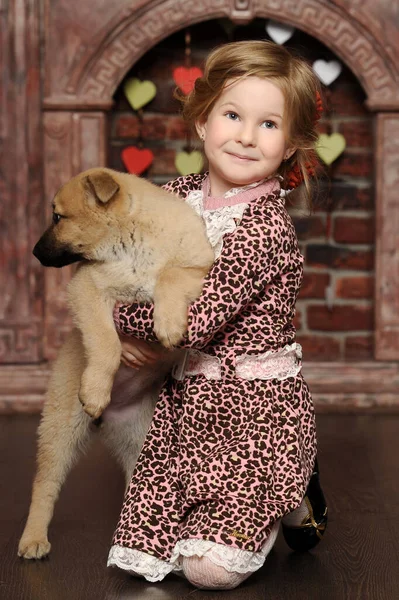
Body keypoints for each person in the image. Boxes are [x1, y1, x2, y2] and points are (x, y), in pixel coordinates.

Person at [107, 40, 327, 590]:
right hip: (187, 405)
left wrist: (126, 322)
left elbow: (193, 321)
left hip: (252, 413)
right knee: (144, 554)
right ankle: (267, 499)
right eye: (233, 115)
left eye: (269, 124)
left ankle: (288, 493)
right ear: (203, 123)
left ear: (292, 144)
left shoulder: (264, 229)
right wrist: (116, 306)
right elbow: (113, 264)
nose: (247, 136)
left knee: (205, 572)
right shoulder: (171, 197)